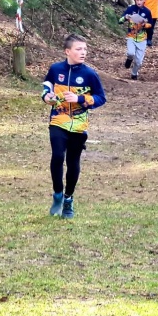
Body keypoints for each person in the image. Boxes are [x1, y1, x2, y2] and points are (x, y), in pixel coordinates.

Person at [42, 34, 107, 218]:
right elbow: (47, 88)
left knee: (72, 162)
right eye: (79, 49)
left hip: (79, 125)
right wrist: (47, 97)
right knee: (57, 156)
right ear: (67, 51)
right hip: (58, 119)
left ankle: (68, 200)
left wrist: (79, 99)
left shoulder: (89, 74)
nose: (83, 52)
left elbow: (101, 98)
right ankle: (57, 195)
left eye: (85, 49)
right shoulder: (55, 69)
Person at [119, 0, 152, 80]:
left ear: (144, 0)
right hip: (131, 36)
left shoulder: (147, 11)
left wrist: (145, 24)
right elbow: (120, 20)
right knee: (130, 53)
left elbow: (150, 24)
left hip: (142, 38)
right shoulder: (130, 9)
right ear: (135, 0)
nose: (139, 2)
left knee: (139, 62)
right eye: (137, 0)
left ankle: (134, 73)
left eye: (141, 0)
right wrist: (125, 17)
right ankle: (129, 59)